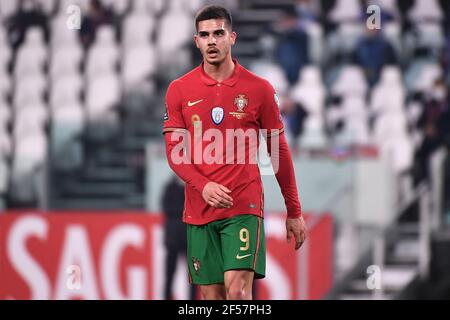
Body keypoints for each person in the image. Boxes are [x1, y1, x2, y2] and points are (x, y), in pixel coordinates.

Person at [163, 5, 307, 300]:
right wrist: (203, 185)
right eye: (205, 35)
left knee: (238, 291)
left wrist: (293, 210)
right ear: (196, 41)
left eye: (218, 33)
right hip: (199, 211)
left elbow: (277, 151)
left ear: (232, 37)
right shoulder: (179, 90)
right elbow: (176, 153)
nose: (212, 41)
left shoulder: (259, 89)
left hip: (243, 207)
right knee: (211, 297)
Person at [161, 175, 196, 300]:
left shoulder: (192, 187)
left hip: (188, 239)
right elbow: (166, 208)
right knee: (169, 273)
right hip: (173, 239)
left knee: (193, 275)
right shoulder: (170, 187)